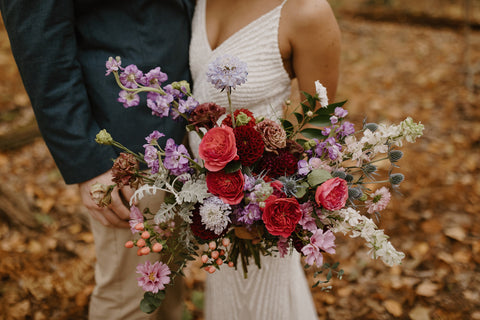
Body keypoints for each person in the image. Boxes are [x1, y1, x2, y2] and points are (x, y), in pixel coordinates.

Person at [0, 1, 194, 319]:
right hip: (123, 148)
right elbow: (40, 47)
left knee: (166, 290)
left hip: (182, 130)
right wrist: (90, 163)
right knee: (128, 298)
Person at [188, 0, 341, 319]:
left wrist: (267, 207)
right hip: (210, 205)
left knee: (266, 304)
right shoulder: (200, 2)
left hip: (262, 214)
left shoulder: (307, 12)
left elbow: (318, 125)